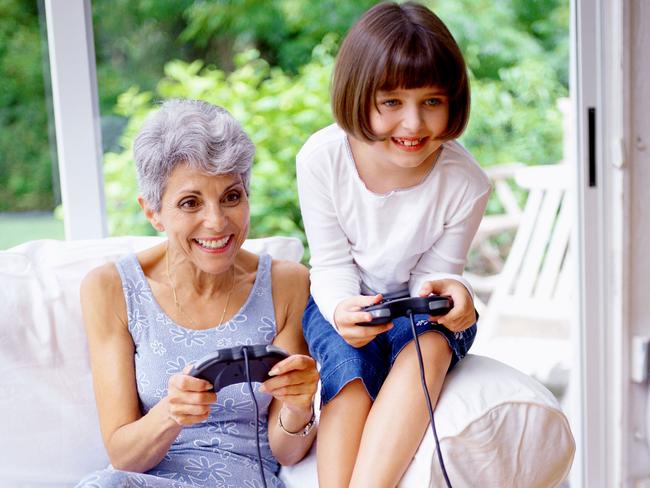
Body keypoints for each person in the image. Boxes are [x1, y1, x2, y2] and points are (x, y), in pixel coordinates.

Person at [296, 2, 492, 487]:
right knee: (348, 364)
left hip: (418, 309)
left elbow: (439, 275)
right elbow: (331, 263)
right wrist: (344, 308)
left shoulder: (466, 182)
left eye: (432, 101)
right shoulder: (322, 159)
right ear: (357, 96)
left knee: (429, 343)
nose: (413, 125)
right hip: (344, 299)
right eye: (392, 103)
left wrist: (455, 296)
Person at [76, 99, 318, 488]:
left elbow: (286, 452)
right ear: (152, 211)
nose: (217, 222)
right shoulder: (111, 289)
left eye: (232, 197)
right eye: (190, 202)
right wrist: (171, 412)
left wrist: (299, 403)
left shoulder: (286, 283)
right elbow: (123, 456)